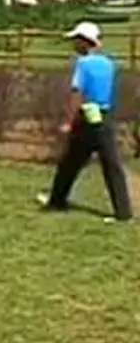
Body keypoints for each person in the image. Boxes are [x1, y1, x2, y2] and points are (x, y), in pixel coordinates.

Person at [36, 21, 133, 223]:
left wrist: (68, 122)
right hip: (104, 116)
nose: (73, 44)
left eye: (76, 40)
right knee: (111, 164)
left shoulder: (83, 64)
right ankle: (123, 212)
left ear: (84, 42)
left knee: (70, 162)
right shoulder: (108, 63)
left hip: (86, 117)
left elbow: (77, 92)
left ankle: (57, 201)